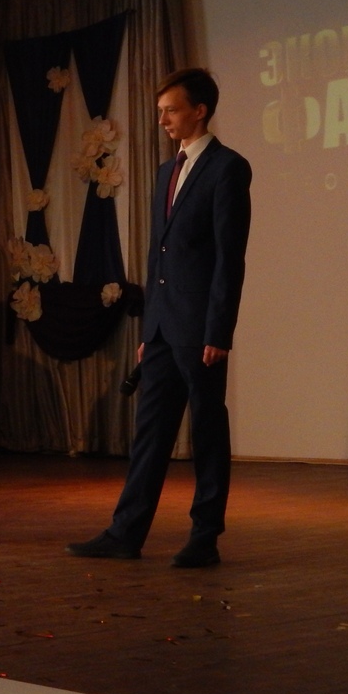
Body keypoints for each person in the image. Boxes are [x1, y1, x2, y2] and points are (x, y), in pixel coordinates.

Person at [67, 68, 252, 567]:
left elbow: (228, 257)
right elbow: (159, 255)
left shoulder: (228, 168)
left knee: (207, 430)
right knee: (150, 430)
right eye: (161, 111)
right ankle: (125, 533)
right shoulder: (166, 171)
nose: (163, 120)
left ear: (200, 111)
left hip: (201, 327)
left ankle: (204, 537)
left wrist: (219, 330)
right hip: (164, 327)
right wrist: (149, 327)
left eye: (172, 110)